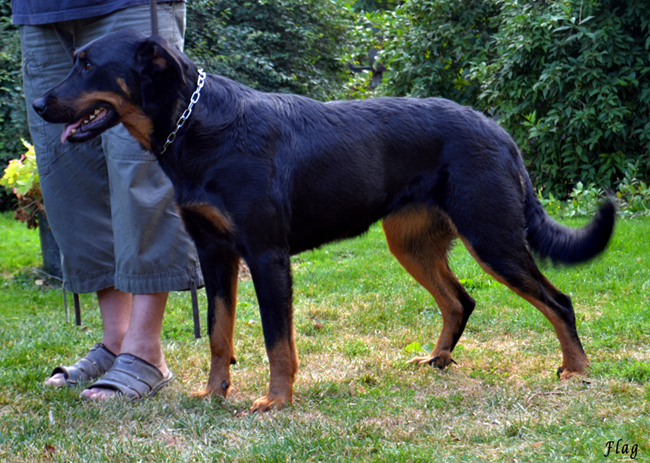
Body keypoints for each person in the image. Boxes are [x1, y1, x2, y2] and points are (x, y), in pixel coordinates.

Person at [12, 0, 203, 400]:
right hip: (41, 10)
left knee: (143, 170)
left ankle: (145, 350)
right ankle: (116, 341)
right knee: (71, 174)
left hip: (126, 4)